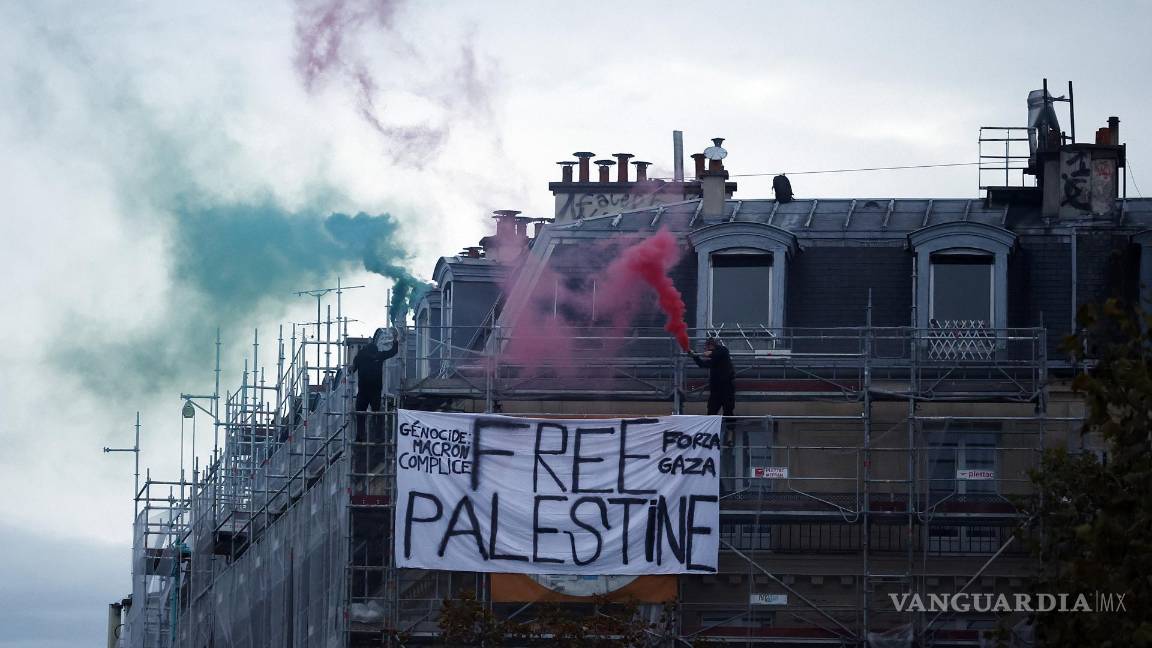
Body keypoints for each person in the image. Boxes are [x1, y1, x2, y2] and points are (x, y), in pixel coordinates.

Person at [351, 327, 399, 442]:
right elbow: (393, 352)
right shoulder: (378, 355)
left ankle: (360, 435)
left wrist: (350, 369)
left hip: (363, 390)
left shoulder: (360, 356)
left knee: (360, 413)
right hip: (375, 390)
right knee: (377, 413)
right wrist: (396, 340)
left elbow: (352, 369)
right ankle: (378, 436)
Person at [690, 337, 736, 416]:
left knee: (728, 410)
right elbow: (703, 364)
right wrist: (695, 356)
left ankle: (730, 427)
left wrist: (712, 353)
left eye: (707, 347)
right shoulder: (715, 358)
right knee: (712, 411)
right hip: (717, 388)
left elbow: (721, 352)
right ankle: (728, 427)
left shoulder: (722, 351)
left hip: (726, 387)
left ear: (710, 346)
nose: (706, 349)